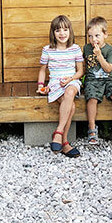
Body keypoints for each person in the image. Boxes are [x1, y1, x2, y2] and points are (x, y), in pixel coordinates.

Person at [36, 14, 84, 157]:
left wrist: (70, 79)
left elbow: (80, 71)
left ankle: (58, 132)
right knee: (72, 107)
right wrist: (40, 85)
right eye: (58, 30)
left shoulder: (75, 48)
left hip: (72, 80)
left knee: (70, 93)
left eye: (65, 29)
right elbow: (42, 70)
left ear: (70, 31)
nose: (62, 33)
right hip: (56, 83)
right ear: (53, 33)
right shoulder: (48, 50)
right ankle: (64, 142)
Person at [82, 16, 112, 146]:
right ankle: (92, 129)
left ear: (105, 34)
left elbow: (108, 69)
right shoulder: (86, 48)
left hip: (108, 79)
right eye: (90, 36)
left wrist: (99, 55)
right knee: (92, 98)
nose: (93, 39)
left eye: (97, 35)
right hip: (92, 80)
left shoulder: (110, 50)